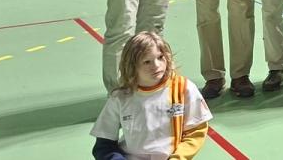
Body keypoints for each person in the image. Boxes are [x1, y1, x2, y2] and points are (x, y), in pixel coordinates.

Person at [91, 32, 212, 160]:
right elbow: (104, 145)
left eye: (160, 57)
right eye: (147, 62)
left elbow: (196, 131)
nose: (156, 65)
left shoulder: (183, 88)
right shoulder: (120, 97)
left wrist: (178, 157)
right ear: (132, 66)